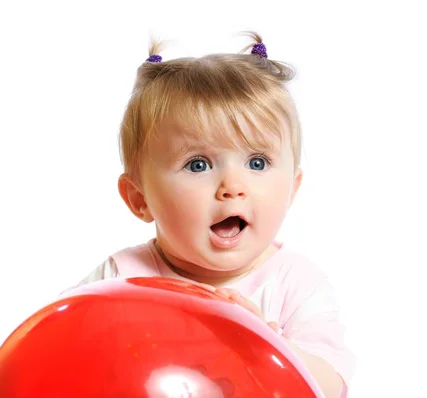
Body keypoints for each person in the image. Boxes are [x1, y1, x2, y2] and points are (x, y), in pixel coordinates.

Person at [64, 32, 354, 397]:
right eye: (198, 164)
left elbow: (329, 384)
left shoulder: (295, 284)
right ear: (140, 199)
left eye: (257, 162)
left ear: (292, 188)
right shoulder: (120, 280)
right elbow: (58, 349)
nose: (233, 186)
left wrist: (266, 344)